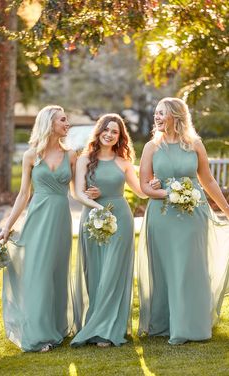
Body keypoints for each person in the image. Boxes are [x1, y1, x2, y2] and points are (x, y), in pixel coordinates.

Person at [0, 105, 99, 352]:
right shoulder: (31, 155)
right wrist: (7, 227)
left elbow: (76, 191)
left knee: (55, 274)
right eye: (63, 120)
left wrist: (92, 197)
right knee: (37, 274)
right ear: (49, 123)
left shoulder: (71, 155)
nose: (67, 124)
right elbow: (23, 194)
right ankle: (38, 335)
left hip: (60, 220)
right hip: (37, 219)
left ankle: (53, 329)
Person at [138, 97, 229, 345]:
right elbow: (144, 184)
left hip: (193, 215)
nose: (156, 117)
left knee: (191, 268)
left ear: (176, 116)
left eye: (161, 113)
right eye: (155, 113)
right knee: (168, 268)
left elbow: (208, 181)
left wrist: (227, 209)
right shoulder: (151, 147)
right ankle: (167, 325)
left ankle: (192, 325)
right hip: (163, 216)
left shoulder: (195, 144)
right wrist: (163, 192)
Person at [70, 113, 146, 347]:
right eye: (107, 129)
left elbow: (141, 191)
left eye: (115, 132)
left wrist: (154, 185)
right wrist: (98, 206)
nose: (110, 134)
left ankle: (108, 330)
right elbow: (78, 193)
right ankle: (95, 325)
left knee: (113, 274)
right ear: (99, 130)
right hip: (92, 220)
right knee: (96, 274)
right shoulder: (84, 159)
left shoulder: (123, 161)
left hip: (120, 220)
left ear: (120, 136)